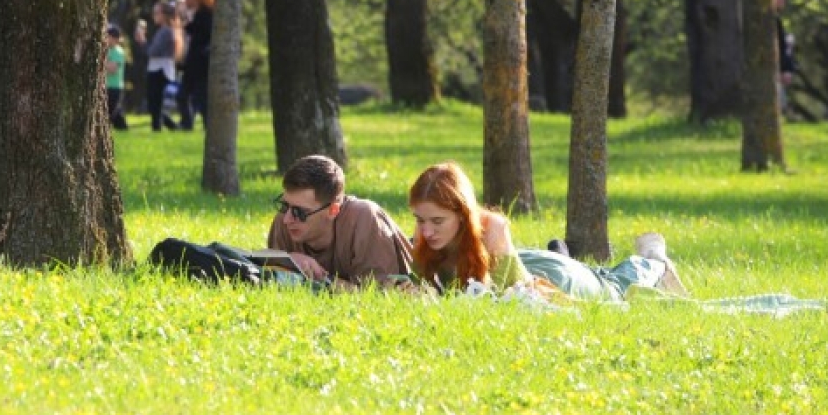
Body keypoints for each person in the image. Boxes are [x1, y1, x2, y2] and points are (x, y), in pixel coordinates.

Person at [407, 161, 688, 300]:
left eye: (437, 221)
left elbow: (496, 299)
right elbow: (418, 283)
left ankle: (654, 260)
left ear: (462, 215)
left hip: (553, 280)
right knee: (599, 272)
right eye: (420, 220)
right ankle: (565, 252)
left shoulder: (492, 230)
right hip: (528, 260)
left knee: (611, 286)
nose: (427, 231)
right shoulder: (427, 234)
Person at [266, 154, 414, 290]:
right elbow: (267, 277)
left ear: (333, 210)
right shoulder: (284, 219)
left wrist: (320, 278)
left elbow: (378, 294)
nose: (287, 219)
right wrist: (288, 261)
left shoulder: (364, 218)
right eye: (285, 206)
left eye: (300, 212)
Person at [178, 0, 214, 131]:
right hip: (193, 62)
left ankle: (204, 126)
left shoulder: (207, 14)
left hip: (200, 63)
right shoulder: (199, 13)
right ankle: (187, 124)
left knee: (201, 97)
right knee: (184, 95)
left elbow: (199, 33)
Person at [144, 1, 182, 131]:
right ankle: (168, 126)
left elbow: (152, 51)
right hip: (163, 69)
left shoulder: (165, 31)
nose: (154, 16)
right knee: (156, 102)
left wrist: (143, 42)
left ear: (164, 15)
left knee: (155, 102)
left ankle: (160, 127)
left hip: (159, 69)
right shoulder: (167, 31)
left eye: (157, 13)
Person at [774, 0, 797, 116]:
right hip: (774, 73)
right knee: (779, 104)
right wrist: (784, 70)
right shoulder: (772, 20)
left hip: (779, 71)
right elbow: (780, 48)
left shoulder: (776, 19)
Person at [104, 24, 129, 130]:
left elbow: (113, 69)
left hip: (115, 87)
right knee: (114, 110)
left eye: (108, 36)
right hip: (106, 85)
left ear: (115, 38)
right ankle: (123, 127)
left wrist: (102, 63)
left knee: (111, 111)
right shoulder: (107, 50)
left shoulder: (119, 52)